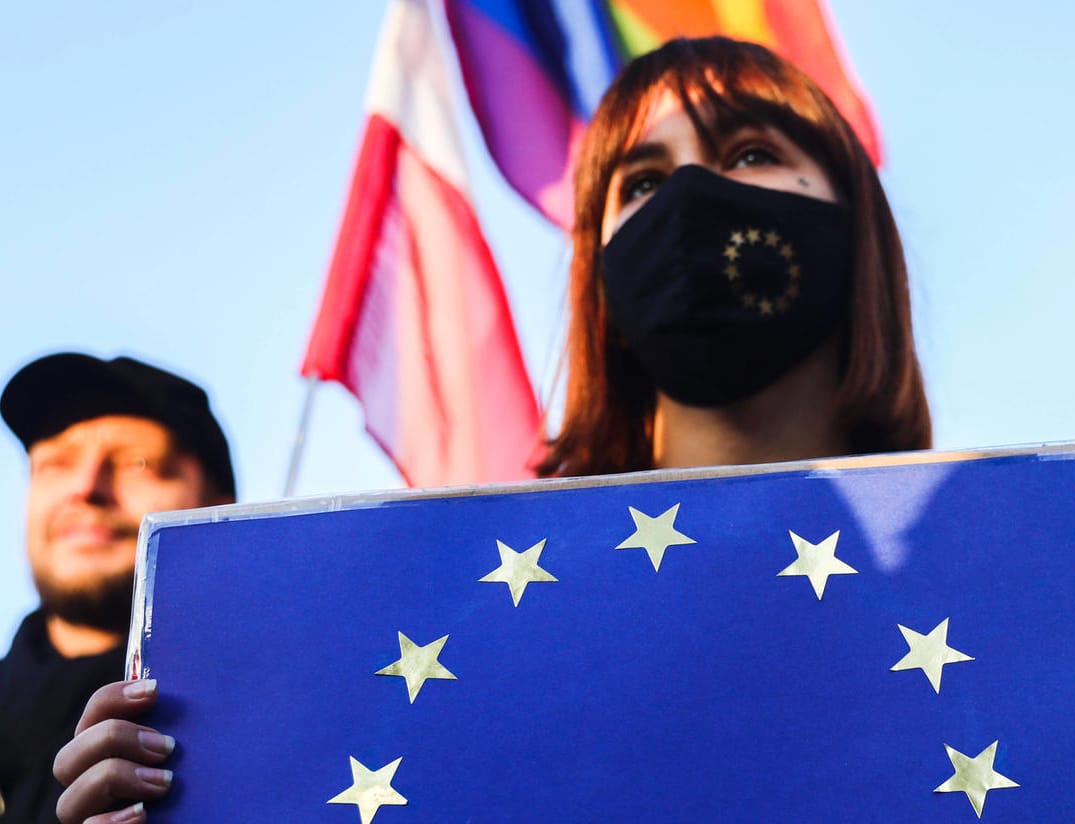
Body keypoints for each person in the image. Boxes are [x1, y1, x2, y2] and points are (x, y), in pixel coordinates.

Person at [53, 37, 930, 823]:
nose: (692, 198)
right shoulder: (472, 617)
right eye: (644, 183)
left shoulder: (989, 578)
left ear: (854, 224)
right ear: (603, 279)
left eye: (748, 152)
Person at [0, 353, 235, 824]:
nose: (86, 488)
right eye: (56, 464)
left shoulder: (275, 721)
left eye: (137, 463)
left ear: (218, 509)